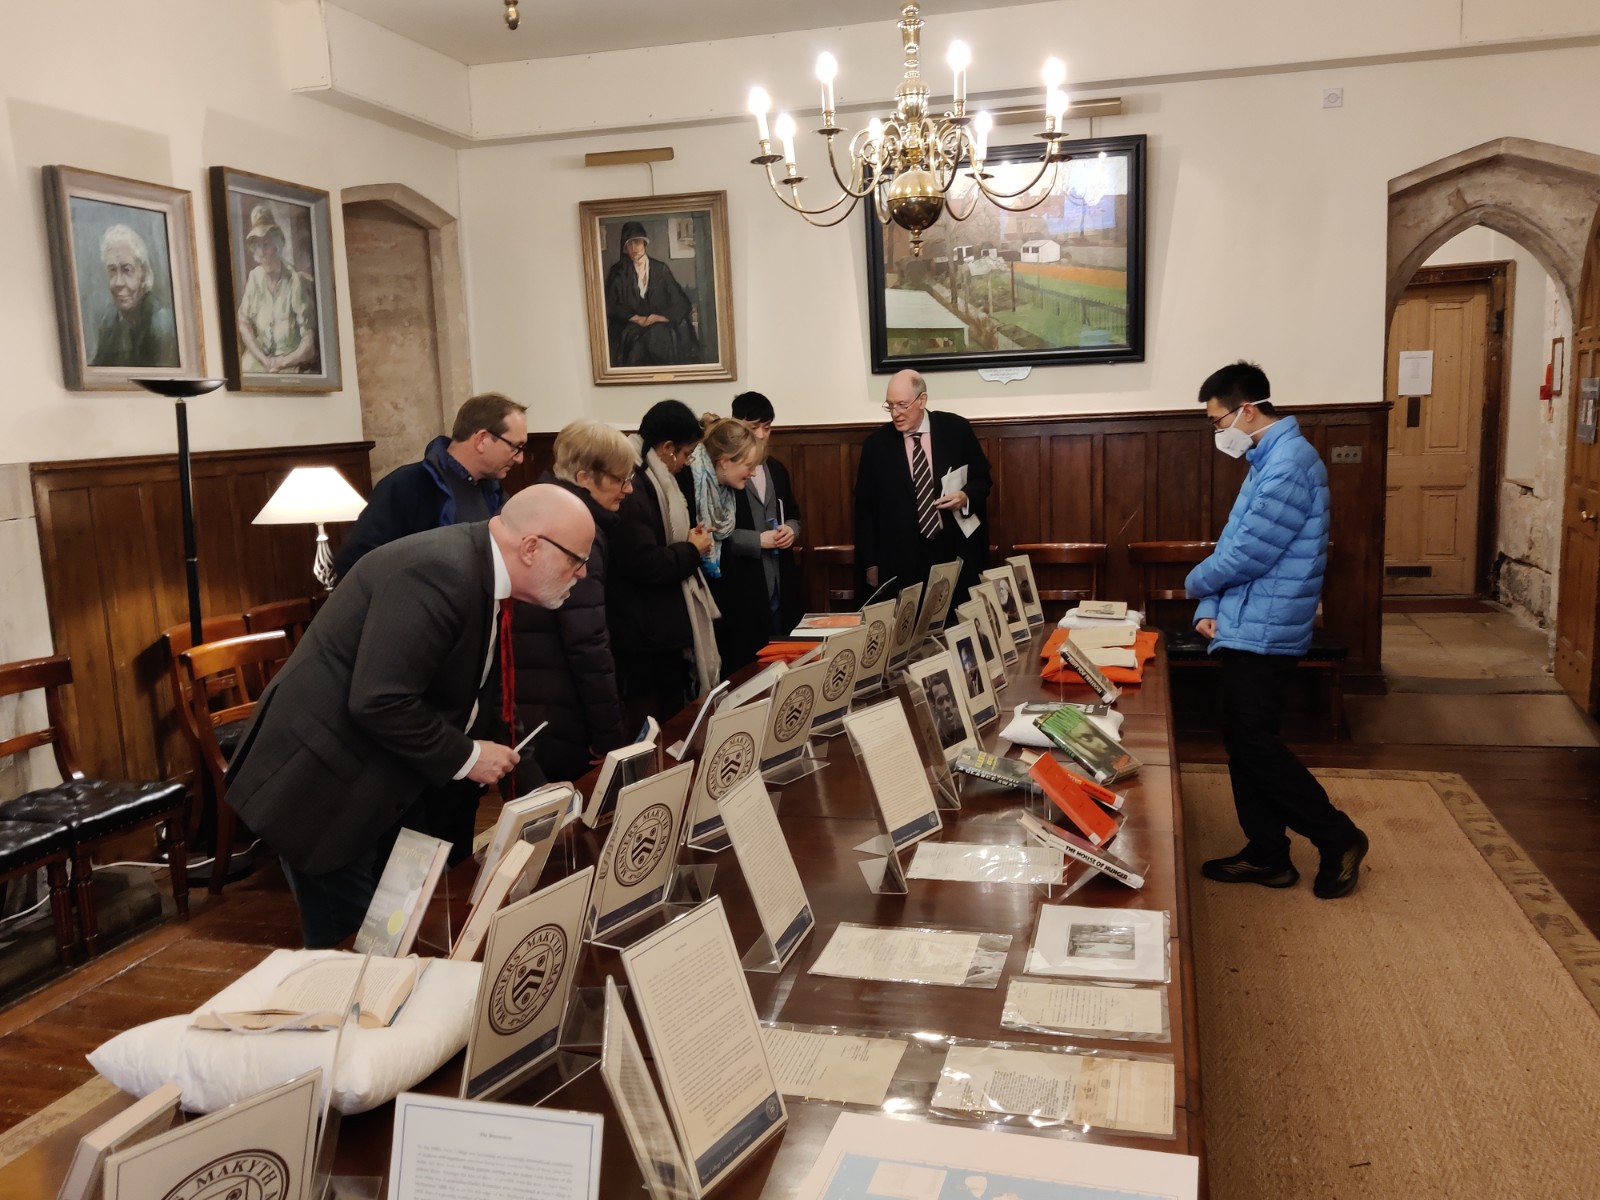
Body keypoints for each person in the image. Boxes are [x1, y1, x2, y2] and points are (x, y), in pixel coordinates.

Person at [223, 485, 594, 947]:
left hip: (377, 785)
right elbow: (380, 700)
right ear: (532, 547)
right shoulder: (440, 571)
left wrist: (538, 784)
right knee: (351, 958)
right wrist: (467, 756)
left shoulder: (477, 568)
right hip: (323, 793)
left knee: (391, 944)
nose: (581, 573)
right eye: (576, 559)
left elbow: (478, 696)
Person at [1186, 360, 1368, 899]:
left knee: (1255, 743)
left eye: (1218, 422)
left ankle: (1338, 836)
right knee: (1243, 742)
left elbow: (1250, 552)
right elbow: (1234, 540)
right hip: (1247, 618)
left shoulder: (1289, 462)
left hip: (1268, 624)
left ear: (1247, 410)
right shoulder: (1266, 459)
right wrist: (1210, 602)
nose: (1218, 434)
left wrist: (1195, 584)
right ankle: (1267, 852)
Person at [511, 420, 637, 785]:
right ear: (584, 477)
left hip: (537, 702)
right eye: (619, 480)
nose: (627, 490)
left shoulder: (538, 504)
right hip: (560, 709)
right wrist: (609, 737)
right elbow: (587, 642)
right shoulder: (576, 529)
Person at [608, 399, 719, 727]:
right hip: (644, 638)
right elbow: (643, 561)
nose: (686, 463)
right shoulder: (635, 484)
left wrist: (686, 541)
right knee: (656, 730)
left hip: (656, 632)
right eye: (686, 454)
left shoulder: (652, 478)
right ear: (667, 447)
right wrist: (692, 549)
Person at [334, 393, 528, 578]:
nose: (520, 458)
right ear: (481, 440)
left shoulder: (494, 492)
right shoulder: (406, 485)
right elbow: (355, 561)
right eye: (515, 447)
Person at [854, 369, 992, 603]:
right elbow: (865, 511)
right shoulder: (875, 446)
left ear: (922, 400)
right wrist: (871, 563)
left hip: (954, 550)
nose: (895, 414)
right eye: (890, 406)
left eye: (902, 405)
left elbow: (983, 480)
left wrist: (964, 496)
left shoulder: (956, 430)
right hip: (901, 560)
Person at [689, 415, 773, 675]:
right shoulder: (691, 486)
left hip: (733, 607)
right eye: (748, 465)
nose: (753, 472)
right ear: (724, 462)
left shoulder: (730, 489)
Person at [729, 391, 803, 638]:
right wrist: (757, 540)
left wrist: (791, 530)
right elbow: (716, 534)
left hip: (781, 578)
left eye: (767, 428)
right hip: (743, 583)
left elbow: (794, 514)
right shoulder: (726, 473)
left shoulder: (776, 468)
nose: (761, 435)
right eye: (753, 427)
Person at [604, 221, 701, 367]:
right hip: (630, 327)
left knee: (660, 336)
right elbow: (609, 304)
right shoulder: (617, 272)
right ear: (625, 248)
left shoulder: (660, 269)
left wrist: (657, 317)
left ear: (644, 243)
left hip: (659, 325)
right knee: (636, 344)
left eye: (637, 242)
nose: (634, 248)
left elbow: (681, 302)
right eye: (629, 245)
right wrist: (637, 319)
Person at [235, 206, 318, 375]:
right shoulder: (254, 278)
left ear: (277, 244)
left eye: (266, 244)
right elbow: (243, 322)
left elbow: (309, 344)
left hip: (289, 362)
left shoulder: (295, 281)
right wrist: (262, 358)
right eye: (257, 245)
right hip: (259, 360)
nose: (261, 252)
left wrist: (283, 362)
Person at [89, 223, 178, 367]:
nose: (118, 283)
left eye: (127, 270)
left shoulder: (161, 323)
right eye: (112, 271)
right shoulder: (109, 322)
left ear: (142, 274)